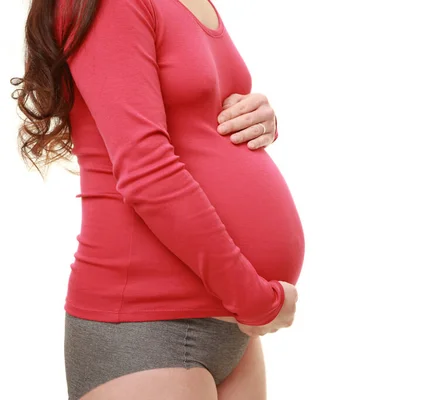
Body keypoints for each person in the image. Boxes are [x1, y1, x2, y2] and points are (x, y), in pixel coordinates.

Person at [10, 0, 305, 398]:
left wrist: (259, 121)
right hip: (147, 324)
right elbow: (146, 172)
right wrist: (254, 298)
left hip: (231, 325)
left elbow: (195, 116)